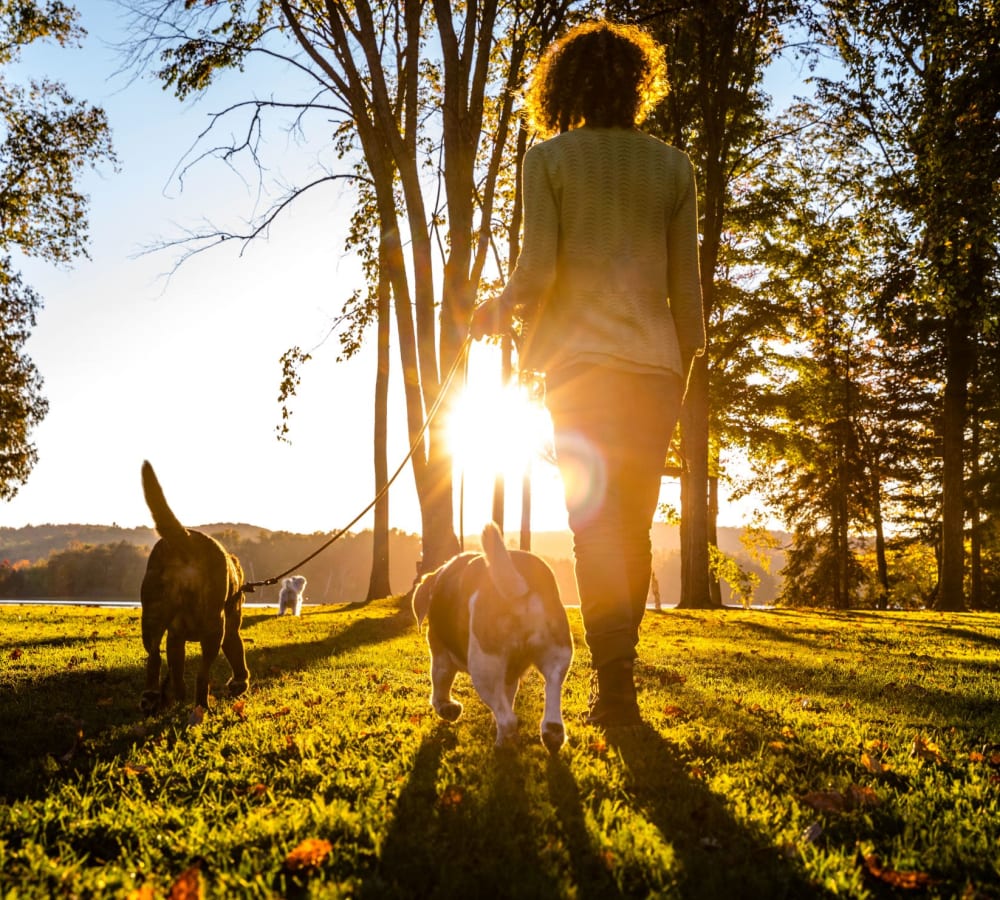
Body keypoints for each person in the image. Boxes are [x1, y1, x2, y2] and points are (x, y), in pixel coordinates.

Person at [471, 20, 705, 727]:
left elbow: (537, 272)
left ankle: (618, 686)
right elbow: (688, 296)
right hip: (657, 370)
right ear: (639, 85)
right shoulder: (673, 168)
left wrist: (497, 306)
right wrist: (682, 370)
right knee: (628, 529)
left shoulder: (549, 162)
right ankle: (617, 680)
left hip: (580, 370)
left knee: (594, 527)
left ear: (563, 88)